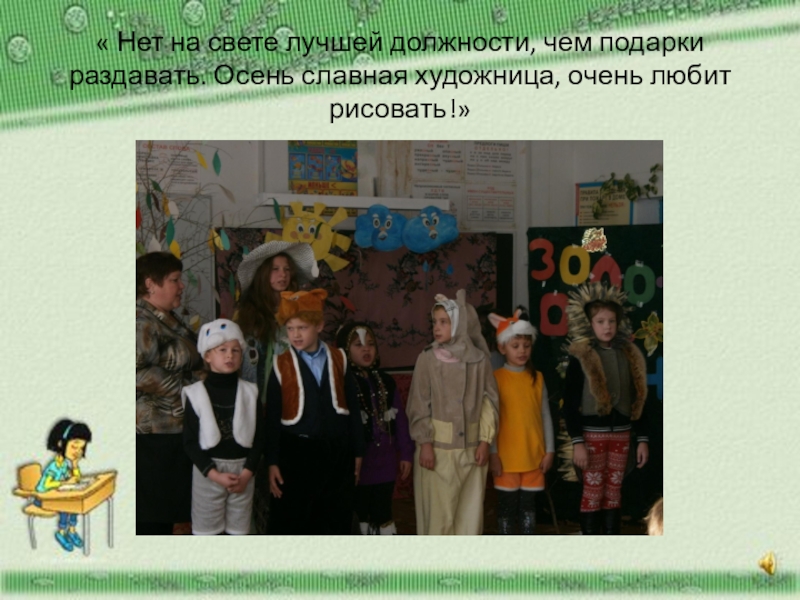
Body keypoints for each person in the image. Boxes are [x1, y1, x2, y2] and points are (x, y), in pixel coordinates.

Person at [265, 289, 366, 534]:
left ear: (319, 325)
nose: (295, 334)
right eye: (290, 328)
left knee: (334, 519)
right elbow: (272, 418)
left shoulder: (339, 359)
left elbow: (353, 409)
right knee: (296, 521)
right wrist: (272, 461)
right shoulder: (280, 364)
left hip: (336, 452)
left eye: (302, 328)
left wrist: (358, 451)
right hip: (295, 454)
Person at [235, 241, 318, 534]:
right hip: (256, 408)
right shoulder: (246, 316)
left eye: (286, 269)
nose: (282, 274)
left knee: (287, 477)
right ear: (262, 275)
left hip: (292, 408)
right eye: (275, 269)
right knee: (256, 479)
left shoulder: (299, 312)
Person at [406, 289, 499, 535]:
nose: (437, 328)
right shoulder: (427, 359)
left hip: (472, 452)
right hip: (438, 452)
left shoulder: (479, 361)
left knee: (469, 518)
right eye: (434, 322)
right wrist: (425, 443)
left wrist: (484, 441)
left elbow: (489, 402)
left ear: (460, 324)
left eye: (444, 322)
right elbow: (419, 403)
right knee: (439, 518)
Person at [563, 283, 649, 535]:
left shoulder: (629, 356)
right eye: (600, 321)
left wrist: (642, 439)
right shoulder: (581, 358)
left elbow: (639, 399)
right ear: (590, 324)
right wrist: (577, 442)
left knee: (614, 491)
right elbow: (569, 404)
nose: (607, 327)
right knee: (592, 491)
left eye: (611, 321)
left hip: (622, 436)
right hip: (592, 437)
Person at [136, 252, 204, 535]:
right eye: (175, 280)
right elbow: (135, 373)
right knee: (154, 519)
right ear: (150, 284)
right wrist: (192, 387)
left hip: (172, 433)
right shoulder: (140, 322)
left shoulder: (165, 318)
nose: (181, 285)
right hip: (155, 438)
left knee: (168, 514)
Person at [182, 319, 264, 535]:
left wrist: (247, 474)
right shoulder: (195, 394)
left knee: (239, 532)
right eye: (222, 350)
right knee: (207, 533)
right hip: (208, 473)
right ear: (208, 356)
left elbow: (260, 437)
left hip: (243, 473)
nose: (230, 356)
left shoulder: (250, 392)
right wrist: (214, 474)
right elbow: (189, 442)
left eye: (235, 350)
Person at [336, 322, 414, 535]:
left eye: (370, 344)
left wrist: (406, 454)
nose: (366, 349)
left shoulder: (386, 382)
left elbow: (400, 421)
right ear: (345, 350)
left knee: (383, 509)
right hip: (359, 464)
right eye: (358, 345)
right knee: (360, 511)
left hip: (385, 462)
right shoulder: (342, 383)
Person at [487, 309, 555, 535]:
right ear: (502, 348)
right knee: (506, 509)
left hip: (534, 457)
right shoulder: (496, 378)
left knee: (528, 509)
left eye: (526, 346)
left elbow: (545, 415)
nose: (522, 350)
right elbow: (490, 419)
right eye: (515, 346)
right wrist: (493, 454)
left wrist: (549, 450)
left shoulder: (538, 378)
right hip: (505, 459)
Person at [36, 419, 93, 552]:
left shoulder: (66, 464)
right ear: (61, 444)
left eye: (81, 448)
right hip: (42, 499)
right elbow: (44, 485)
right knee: (66, 505)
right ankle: (61, 533)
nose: (77, 451)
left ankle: (71, 530)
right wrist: (65, 483)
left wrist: (75, 465)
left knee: (74, 503)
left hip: (58, 497)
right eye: (74, 446)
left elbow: (76, 479)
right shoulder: (54, 465)